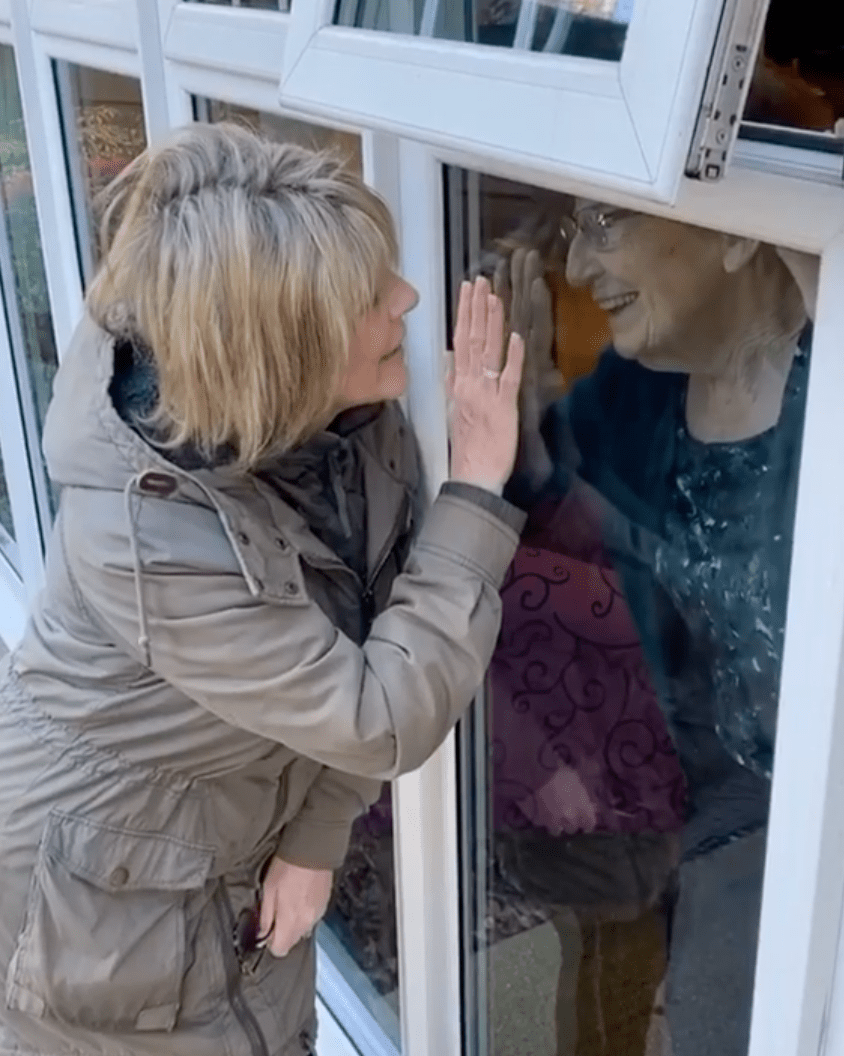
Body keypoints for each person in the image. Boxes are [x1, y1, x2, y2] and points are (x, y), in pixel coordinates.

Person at [0, 123, 525, 1056]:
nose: (406, 297)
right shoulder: (146, 543)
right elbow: (378, 705)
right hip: (98, 895)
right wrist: (477, 489)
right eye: (370, 296)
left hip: (226, 843)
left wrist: (318, 835)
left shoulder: (334, 416)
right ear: (279, 356)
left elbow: (374, 613)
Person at [499, 202, 816, 1054]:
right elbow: (575, 535)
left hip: (796, 842)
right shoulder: (635, 389)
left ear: (742, 225)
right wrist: (528, 452)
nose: (576, 269)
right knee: (607, 985)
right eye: (571, 230)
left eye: (605, 222)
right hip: (653, 798)